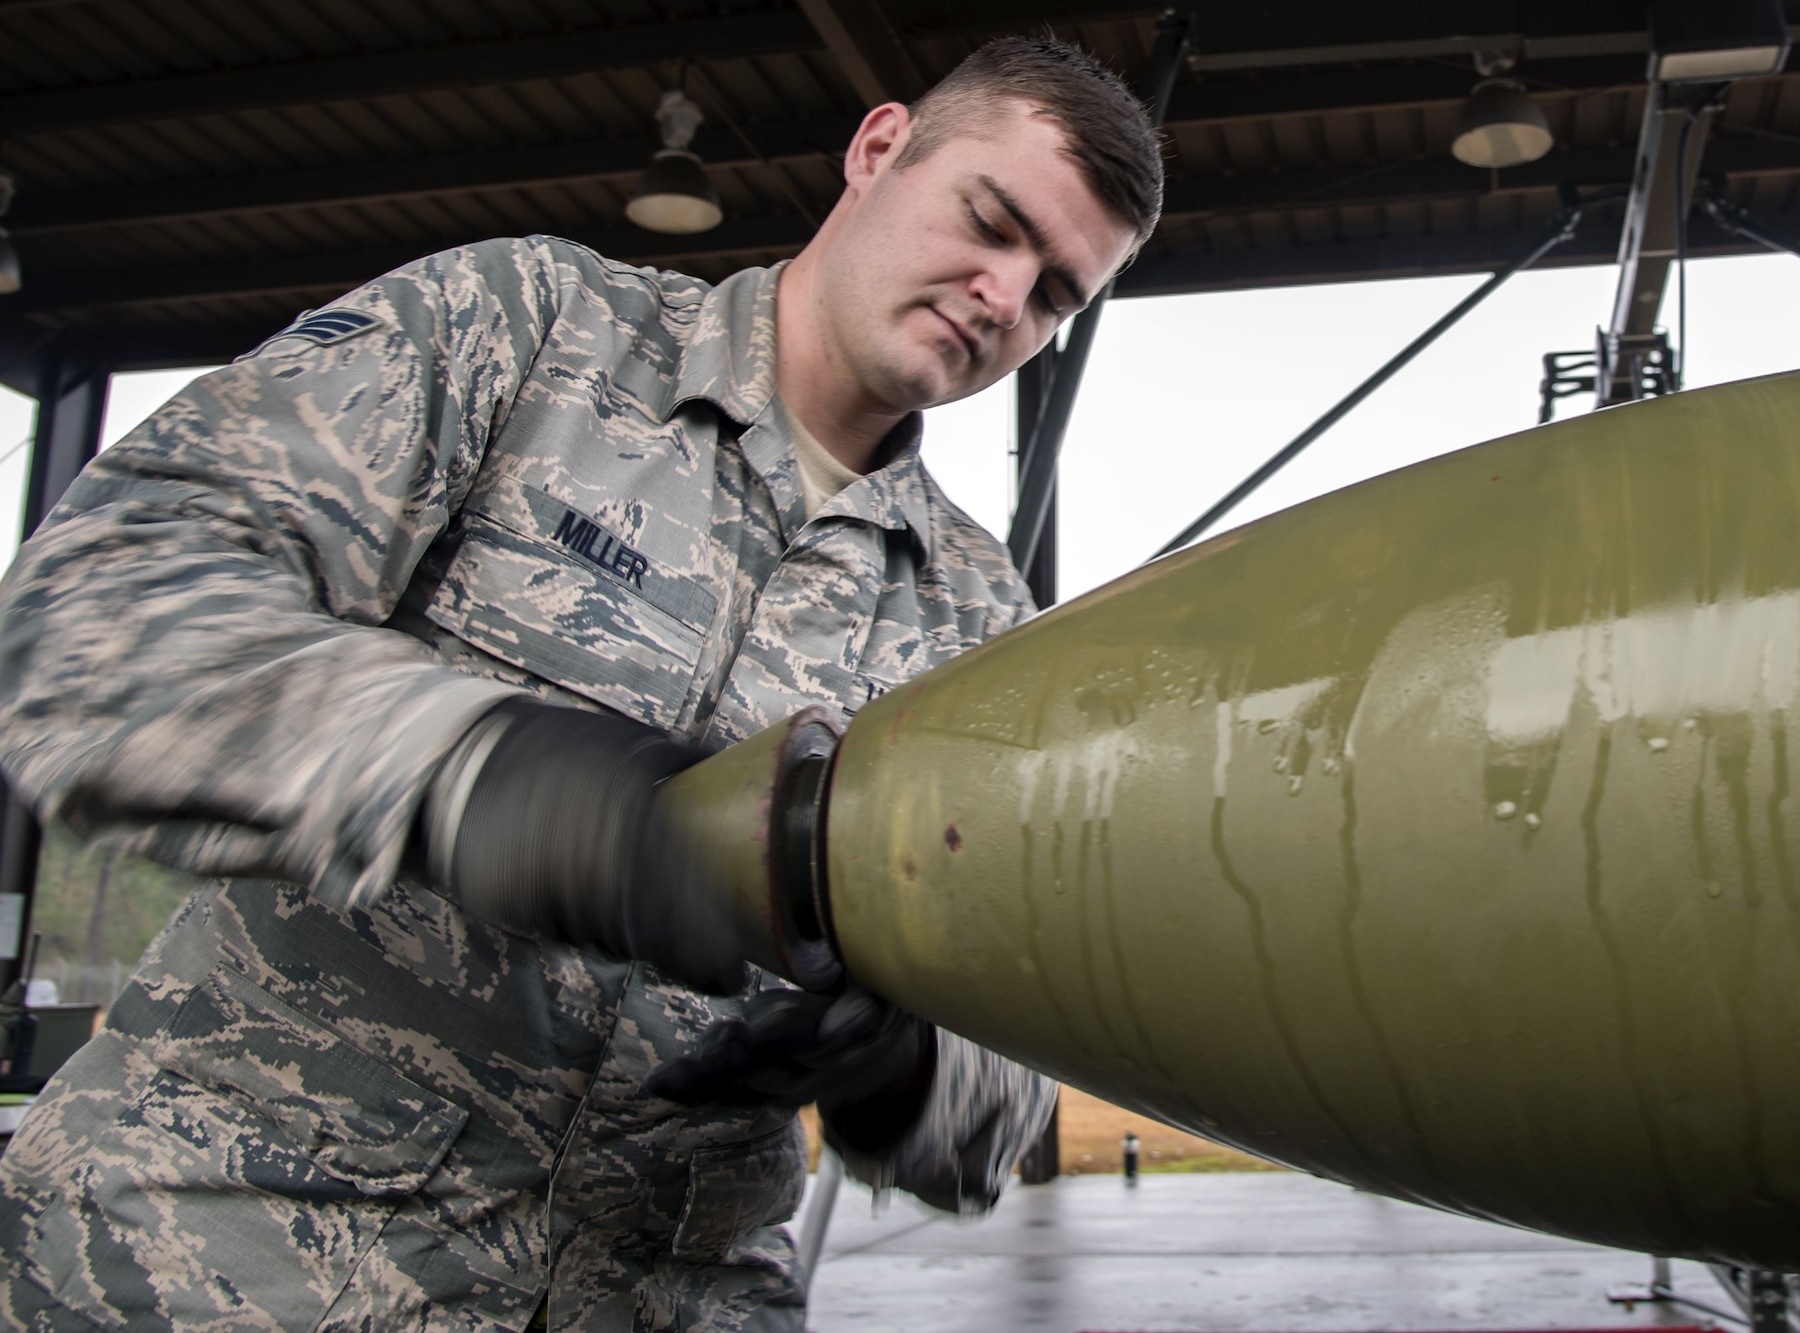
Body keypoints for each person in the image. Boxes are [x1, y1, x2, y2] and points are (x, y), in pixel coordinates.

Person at [0, 36, 1163, 1331]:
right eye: (991, 221)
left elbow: (1003, 1093)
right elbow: (84, 615)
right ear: (881, 146)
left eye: (1056, 292)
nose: (1003, 293)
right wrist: (471, 771)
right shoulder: (529, 333)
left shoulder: (975, 617)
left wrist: (910, 1065)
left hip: (669, 1292)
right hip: (229, 1259)